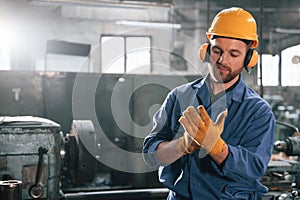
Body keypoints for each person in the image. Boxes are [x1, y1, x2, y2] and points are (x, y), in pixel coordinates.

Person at [142, 7, 275, 200]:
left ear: (249, 58)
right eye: (217, 51)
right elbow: (150, 155)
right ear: (205, 50)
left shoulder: (258, 112)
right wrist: (182, 145)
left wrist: (216, 147)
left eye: (234, 54)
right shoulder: (178, 96)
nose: (222, 60)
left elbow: (253, 169)